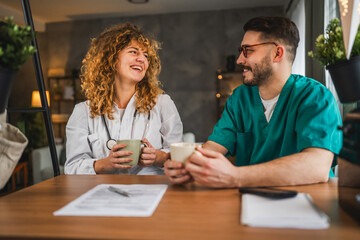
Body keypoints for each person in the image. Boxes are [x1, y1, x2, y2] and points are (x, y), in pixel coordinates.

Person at [164, 16, 342, 188]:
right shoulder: (239, 98)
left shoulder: (315, 97)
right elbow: (213, 148)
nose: (240, 60)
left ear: (277, 53)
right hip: (249, 198)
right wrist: (188, 166)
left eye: (247, 50)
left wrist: (235, 176)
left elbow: (317, 167)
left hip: (307, 203)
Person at [65, 23, 183, 175]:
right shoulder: (83, 111)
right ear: (111, 58)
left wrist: (158, 157)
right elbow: (72, 168)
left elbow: (180, 160)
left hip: (150, 193)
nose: (142, 59)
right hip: (103, 194)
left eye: (146, 55)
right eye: (134, 52)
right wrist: (103, 164)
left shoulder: (162, 104)